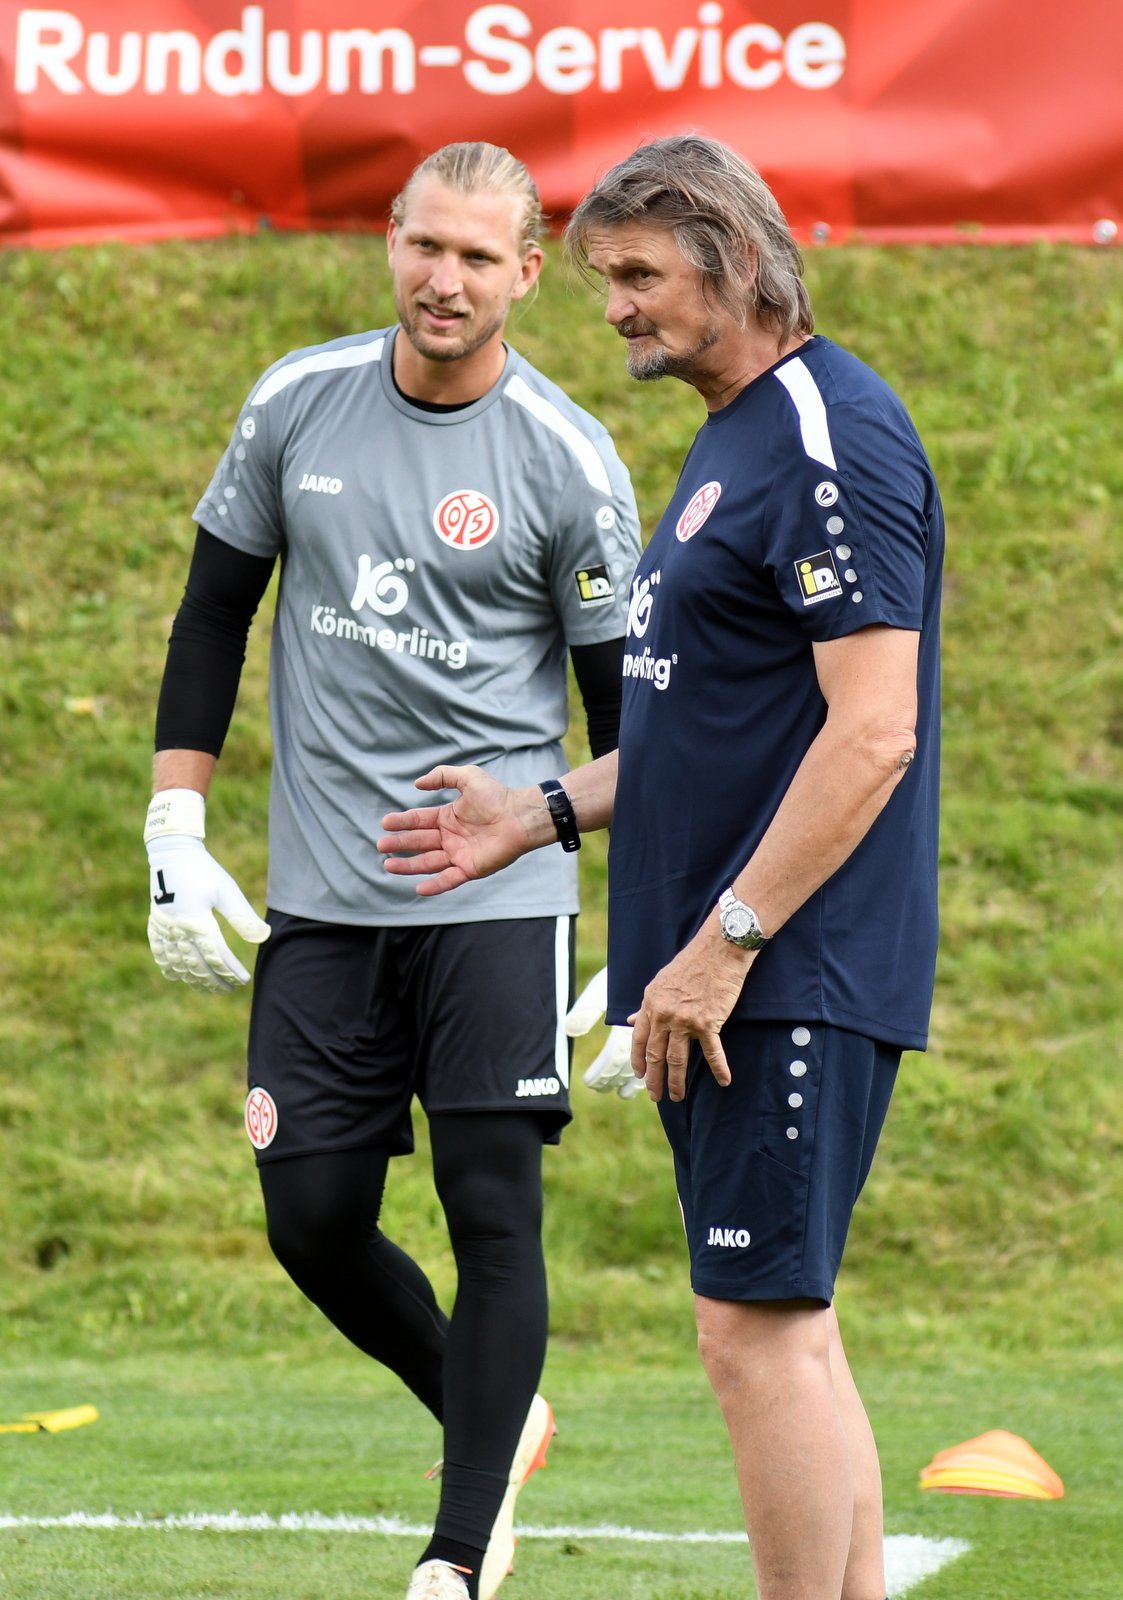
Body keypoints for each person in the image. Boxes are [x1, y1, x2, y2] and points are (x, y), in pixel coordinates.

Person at [378, 133, 944, 1600]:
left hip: (786, 970)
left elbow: (872, 732)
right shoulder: (735, 437)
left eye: (637, 275)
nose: (615, 307)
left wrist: (727, 940)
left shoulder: (829, 432)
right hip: (740, 970)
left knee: (752, 1333)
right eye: (604, 280)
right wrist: (540, 813)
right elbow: (721, 732)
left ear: (736, 259)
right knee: (782, 1331)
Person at [143, 141, 641, 1600]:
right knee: (309, 1216)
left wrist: (641, 910)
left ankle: (457, 1556)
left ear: (529, 276)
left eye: (481, 258)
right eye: (427, 246)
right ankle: (497, 1410)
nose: (447, 279)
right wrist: (177, 825)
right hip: (325, 900)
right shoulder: (297, 402)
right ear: (390, 240)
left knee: (493, 1210)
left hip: (497, 899)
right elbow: (211, 615)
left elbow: (636, 729)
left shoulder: (567, 460)